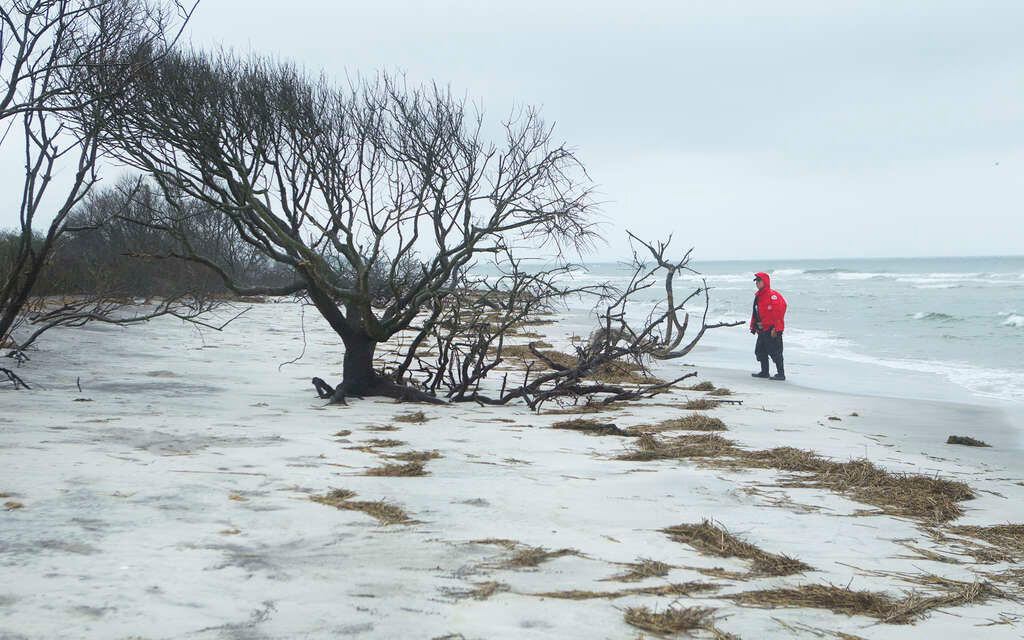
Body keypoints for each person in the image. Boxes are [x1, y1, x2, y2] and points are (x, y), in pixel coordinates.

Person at [750, 271, 787, 380]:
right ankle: (764, 372)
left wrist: (777, 328)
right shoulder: (758, 296)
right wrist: (753, 326)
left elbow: (780, 311)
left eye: (759, 281)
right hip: (761, 329)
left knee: (775, 352)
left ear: (765, 282)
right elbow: (755, 312)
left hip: (772, 329)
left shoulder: (773, 295)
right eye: (756, 281)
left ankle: (781, 374)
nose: (757, 283)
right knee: (760, 351)